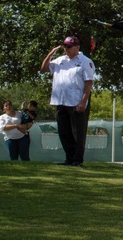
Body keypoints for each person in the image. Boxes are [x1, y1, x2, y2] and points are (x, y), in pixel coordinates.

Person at [41, 35, 95, 167]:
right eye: (65, 46)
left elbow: (88, 83)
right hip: (60, 101)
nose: (66, 49)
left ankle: (77, 160)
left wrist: (83, 102)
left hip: (76, 102)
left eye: (69, 47)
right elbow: (43, 69)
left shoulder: (85, 61)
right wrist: (50, 55)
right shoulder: (60, 60)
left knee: (77, 133)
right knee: (64, 132)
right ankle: (69, 158)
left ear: (77, 47)